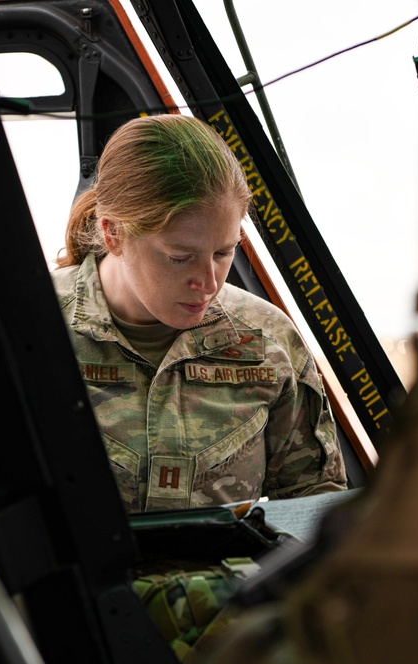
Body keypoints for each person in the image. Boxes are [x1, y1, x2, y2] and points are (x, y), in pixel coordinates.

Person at [52, 113, 347, 513]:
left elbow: (314, 504)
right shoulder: (26, 330)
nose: (209, 282)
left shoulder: (268, 341)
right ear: (113, 233)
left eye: (224, 253)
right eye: (180, 257)